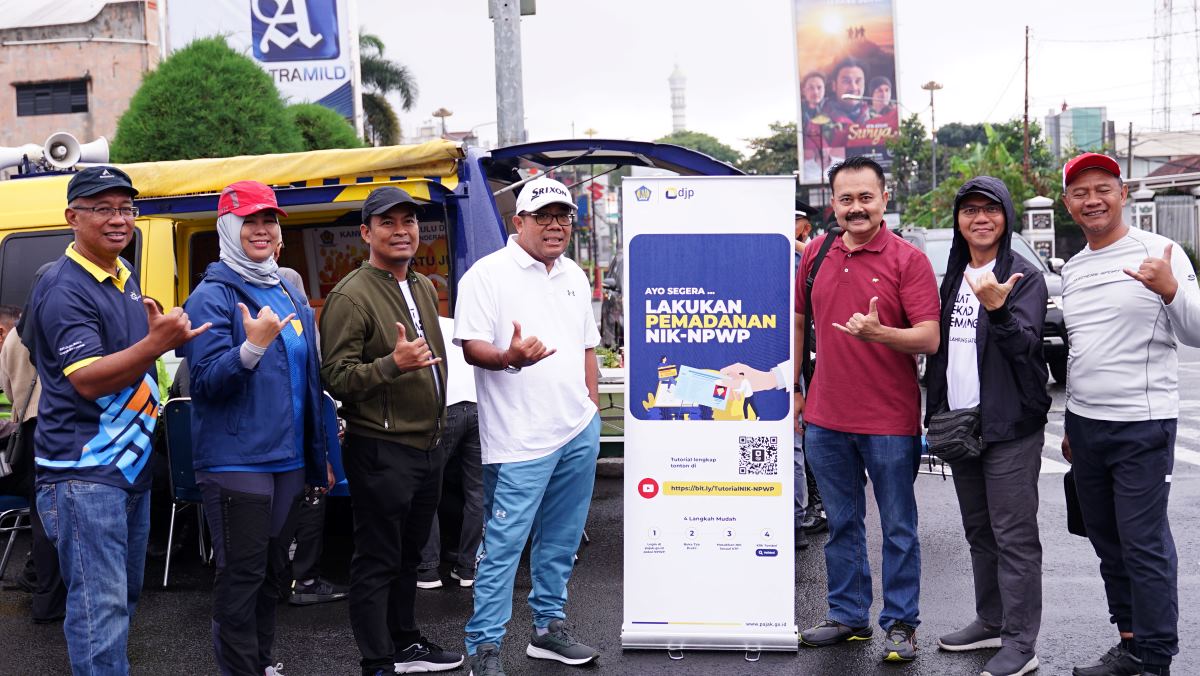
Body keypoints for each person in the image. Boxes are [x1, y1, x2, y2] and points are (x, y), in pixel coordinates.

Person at [26, 165, 208, 674]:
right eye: (102, 208)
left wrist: (154, 340)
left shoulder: (123, 276)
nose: (118, 219)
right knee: (98, 610)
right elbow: (85, 379)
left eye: (126, 208)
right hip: (83, 475)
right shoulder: (64, 286)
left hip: (126, 472)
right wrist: (156, 344)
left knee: (120, 601)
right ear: (72, 217)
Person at [1058, 153, 1200, 676]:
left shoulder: (1160, 251)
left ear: (1123, 194)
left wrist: (1170, 288)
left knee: (1143, 543)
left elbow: (1197, 333)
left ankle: (1156, 657)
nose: (1092, 200)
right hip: (1087, 427)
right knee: (1108, 542)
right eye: (1081, 192)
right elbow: (1080, 350)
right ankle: (1130, 642)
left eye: (1102, 189)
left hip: (1143, 424)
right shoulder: (1073, 269)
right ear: (1069, 203)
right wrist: (1070, 423)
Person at [454, 176, 602, 676]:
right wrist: (511, 358)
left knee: (561, 540)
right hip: (518, 440)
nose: (556, 225)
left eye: (563, 216)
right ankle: (485, 646)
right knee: (502, 548)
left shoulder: (574, 276)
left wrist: (591, 408)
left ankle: (547, 629)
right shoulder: (486, 275)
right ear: (519, 222)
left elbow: (586, 347)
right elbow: (473, 347)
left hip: (576, 429)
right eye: (543, 217)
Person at [795, 156, 940, 662]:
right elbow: (797, 321)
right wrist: (795, 387)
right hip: (826, 418)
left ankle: (901, 624)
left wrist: (880, 334)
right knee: (841, 523)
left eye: (865, 197)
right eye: (845, 199)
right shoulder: (814, 255)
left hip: (889, 421)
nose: (856, 208)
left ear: (884, 198)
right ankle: (848, 615)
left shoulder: (908, 260)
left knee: (898, 527)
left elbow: (929, 336)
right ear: (831, 203)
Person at [180, 180, 329, 675]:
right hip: (235, 460)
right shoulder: (212, 294)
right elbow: (203, 382)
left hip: (287, 461)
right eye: (250, 221)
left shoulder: (287, 286)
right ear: (228, 227)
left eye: (269, 220)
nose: (261, 230)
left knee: (272, 575)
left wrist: (318, 453)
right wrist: (250, 349)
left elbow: (308, 380)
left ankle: (261, 664)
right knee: (241, 577)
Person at [320, 186, 462, 676]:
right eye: (388, 223)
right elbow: (335, 378)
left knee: (408, 557)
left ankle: (406, 644)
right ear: (366, 233)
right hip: (381, 447)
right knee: (377, 558)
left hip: (427, 443)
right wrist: (391, 365)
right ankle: (377, 660)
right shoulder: (350, 295)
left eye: (409, 221)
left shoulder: (422, 285)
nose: (402, 231)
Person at [924, 177, 1050, 676]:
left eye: (990, 209)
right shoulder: (955, 276)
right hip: (961, 424)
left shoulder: (1023, 277)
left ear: (1006, 217)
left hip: (1010, 424)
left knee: (1014, 534)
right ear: (958, 219)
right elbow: (943, 354)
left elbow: (1026, 350)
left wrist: (998, 309)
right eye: (970, 209)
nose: (980, 218)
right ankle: (991, 619)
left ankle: (1021, 641)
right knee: (979, 531)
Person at [416, 315, 483, 590]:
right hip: (478, 405)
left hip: (445, 407)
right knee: (477, 493)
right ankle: (468, 567)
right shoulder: (460, 322)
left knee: (427, 489)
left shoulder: (416, 326)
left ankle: (428, 570)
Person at [821, 58, 870, 126]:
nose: (853, 87)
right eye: (846, 81)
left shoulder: (877, 119)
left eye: (858, 81)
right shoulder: (820, 122)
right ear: (834, 86)